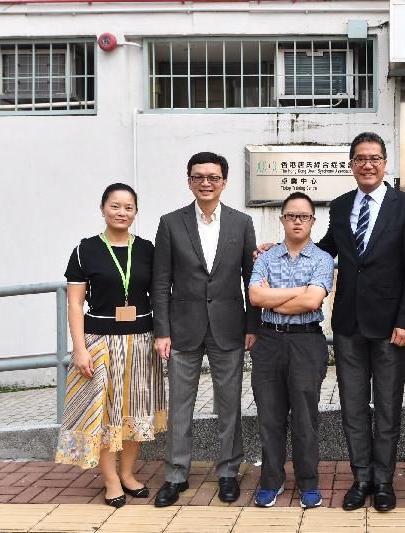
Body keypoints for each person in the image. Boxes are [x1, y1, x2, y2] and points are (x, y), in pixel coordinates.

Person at [317, 132, 405, 512]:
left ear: (384, 164)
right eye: (360, 158)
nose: (367, 164)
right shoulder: (342, 204)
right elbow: (329, 247)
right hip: (347, 322)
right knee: (352, 405)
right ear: (351, 164)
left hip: (390, 325)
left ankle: (383, 479)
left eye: (374, 158)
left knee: (387, 406)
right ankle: (360, 475)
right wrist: (285, 247)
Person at [151, 152, 259, 507]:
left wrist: (251, 325)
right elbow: (161, 280)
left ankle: (228, 471)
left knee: (229, 405)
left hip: (228, 326)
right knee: (180, 404)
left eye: (213, 177)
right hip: (182, 328)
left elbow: (250, 278)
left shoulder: (241, 223)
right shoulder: (170, 223)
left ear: (224, 182)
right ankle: (175, 474)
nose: (206, 182)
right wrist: (161, 330)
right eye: (199, 176)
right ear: (189, 181)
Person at [55, 183, 166, 508]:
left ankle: (128, 474)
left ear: (136, 212)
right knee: (103, 414)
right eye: (115, 206)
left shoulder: (147, 249)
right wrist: (79, 348)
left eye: (128, 207)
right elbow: (75, 304)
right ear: (103, 209)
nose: (122, 212)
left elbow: (160, 293)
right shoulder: (85, 250)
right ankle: (111, 479)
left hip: (142, 342)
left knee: (135, 411)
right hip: (99, 343)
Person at [247, 192, 334, 509]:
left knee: (304, 417)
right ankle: (271, 481)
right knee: (269, 416)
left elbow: (313, 302)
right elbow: (255, 297)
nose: (298, 221)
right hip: (268, 342)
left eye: (304, 216)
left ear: (313, 220)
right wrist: (300, 291)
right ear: (282, 218)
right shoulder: (266, 257)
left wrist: (279, 296)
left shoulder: (323, 259)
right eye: (291, 215)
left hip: (306, 342)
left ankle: (308, 482)